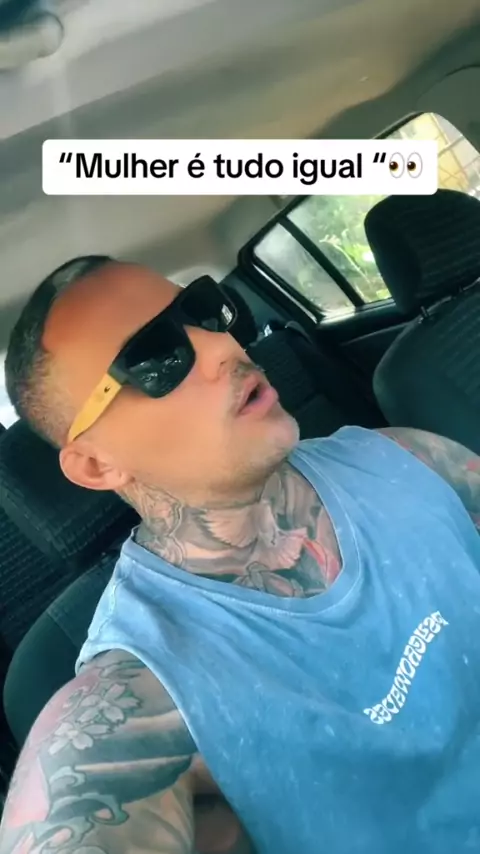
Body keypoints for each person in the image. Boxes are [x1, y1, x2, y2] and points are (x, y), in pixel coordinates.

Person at [1, 256, 480, 854]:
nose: (221, 347)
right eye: (156, 356)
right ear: (97, 465)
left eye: (202, 311)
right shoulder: (135, 699)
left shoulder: (408, 458)